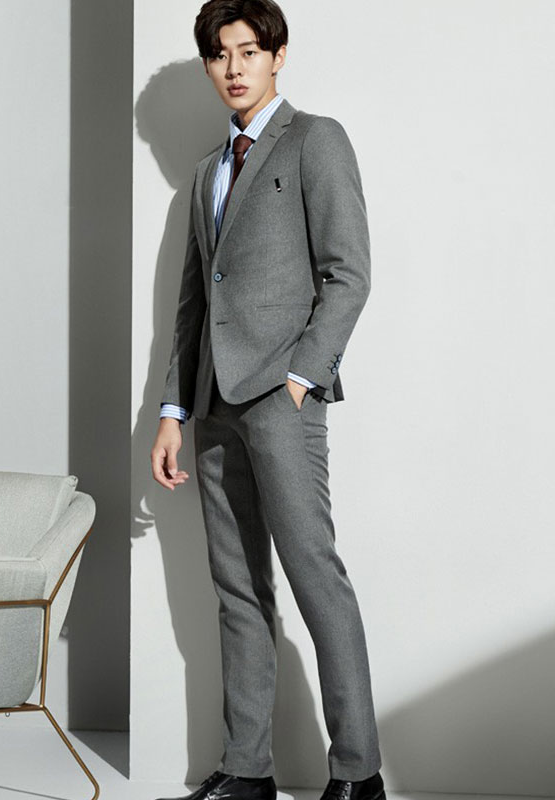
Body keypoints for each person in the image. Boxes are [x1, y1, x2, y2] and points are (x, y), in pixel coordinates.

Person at [151, 3, 386, 800]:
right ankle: (247, 770)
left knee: (314, 575)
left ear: (278, 55)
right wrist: (174, 412)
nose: (234, 68)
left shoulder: (316, 140)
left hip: (282, 401)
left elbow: (349, 273)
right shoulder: (206, 173)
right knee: (237, 589)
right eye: (220, 55)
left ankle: (358, 772)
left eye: (249, 51)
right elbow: (194, 305)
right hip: (213, 407)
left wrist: (301, 379)